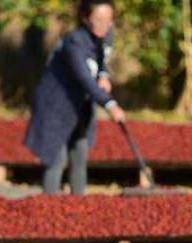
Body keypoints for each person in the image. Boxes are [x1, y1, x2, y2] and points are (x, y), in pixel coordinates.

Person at [25, 0, 126, 195]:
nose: (104, 25)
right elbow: (84, 79)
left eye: (108, 20)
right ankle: (48, 207)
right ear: (85, 18)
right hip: (55, 103)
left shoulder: (106, 35)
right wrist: (110, 104)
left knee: (79, 153)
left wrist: (103, 74)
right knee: (57, 157)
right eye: (98, 20)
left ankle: (79, 208)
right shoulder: (74, 42)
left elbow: (101, 59)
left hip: (79, 104)